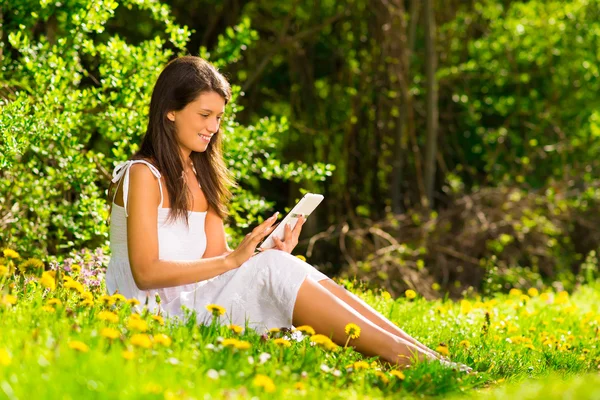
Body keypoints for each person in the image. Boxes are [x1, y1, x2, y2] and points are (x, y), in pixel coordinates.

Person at [105, 55, 471, 371]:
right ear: (170, 110)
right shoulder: (141, 175)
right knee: (272, 268)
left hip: (196, 305)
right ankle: (407, 359)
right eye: (204, 115)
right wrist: (238, 261)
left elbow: (215, 263)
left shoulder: (203, 178)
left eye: (219, 117)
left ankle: (424, 355)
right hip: (151, 318)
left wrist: (261, 254)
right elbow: (147, 272)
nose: (213, 128)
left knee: (283, 263)